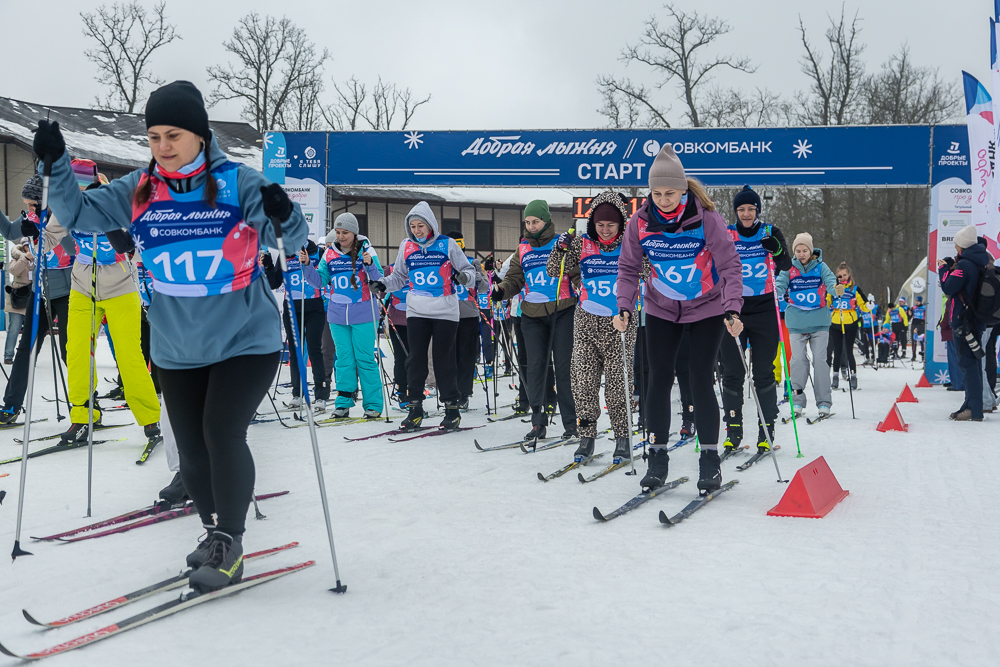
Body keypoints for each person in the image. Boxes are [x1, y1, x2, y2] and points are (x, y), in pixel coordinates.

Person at [36, 80, 309, 592]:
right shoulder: (139, 189)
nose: (163, 146)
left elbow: (290, 240)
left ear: (201, 135)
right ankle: (212, 532)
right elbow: (76, 216)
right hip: (175, 344)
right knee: (190, 445)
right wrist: (56, 167)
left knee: (221, 432)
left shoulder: (238, 183)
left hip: (244, 340)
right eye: (154, 136)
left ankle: (230, 540)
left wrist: (283, 211)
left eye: (174, 135)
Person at [614, 144, 744, 493]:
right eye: (656, 193)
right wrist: (624, 305)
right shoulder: (640, 222)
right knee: (658, 377)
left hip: (706, 306)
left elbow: (730, 264)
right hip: (661, 306)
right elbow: (627, 268)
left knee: (700, 377)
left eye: (670, 192)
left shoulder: (706, 217)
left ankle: (710, 461)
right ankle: (656, 460)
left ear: (683, 190)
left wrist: (733, 307)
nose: (663, 199)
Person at [58, 161, 161, 446]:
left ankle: (150, 417)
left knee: (129, 356)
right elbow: (55, 236)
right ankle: (83, 417)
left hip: (119, 288)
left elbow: (128, 246)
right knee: (77, 352)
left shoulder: (116, 206)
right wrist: (37, 227)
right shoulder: (67, 207)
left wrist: (109, 222)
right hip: (82, 286)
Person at [548, 190, 638, 464]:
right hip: (586, 320)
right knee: (583, 382)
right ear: (592, 225)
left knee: (617, 385)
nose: (606, 230)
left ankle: (623, 438)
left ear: (621, 224)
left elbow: (649, 270)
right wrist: (560, 248)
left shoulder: (631, 245)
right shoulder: (582, 244)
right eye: (600, 225)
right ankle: (587, 437)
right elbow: (555, 270)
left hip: (620, 322)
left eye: (611, 225)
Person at [372, 202, 475, 432]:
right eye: (413, 226)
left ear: (431, 225)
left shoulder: (447, 244)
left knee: (443, 360)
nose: (417, 230)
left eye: (421, 226)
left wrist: (463, 278)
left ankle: (451, 409)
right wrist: (382, 284)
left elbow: (468, 270)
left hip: (445, 311)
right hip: (417, 310)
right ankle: (415, 408)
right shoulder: (406, 246)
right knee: (415, 360)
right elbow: (398, 277)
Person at [494, 200, 578, 441]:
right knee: (536, 368)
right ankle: (537, 422)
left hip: (562, 312)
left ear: (546, 221)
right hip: (531, 315)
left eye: (535, 221)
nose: (531, 226)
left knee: (563, 368)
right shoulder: (522, 249)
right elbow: (514, 279)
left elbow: (577, 272)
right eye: (527, 222)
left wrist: (583, 286)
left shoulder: (561, 243)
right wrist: (501, 290)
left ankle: (571, 424)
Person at [719, 185, 792, 458]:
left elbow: (785, 264)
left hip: (764, 309)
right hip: (733, 309)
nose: (747, 214)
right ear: (736, 211)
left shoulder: (770, 231)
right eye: (742, 209)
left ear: (758, 210)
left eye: (751, 209)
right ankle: (733, 431)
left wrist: (776, 250)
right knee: (733, 373)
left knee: (763, 374)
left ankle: (766, 431)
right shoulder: (727, 233)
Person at [0, 176, 76, 424]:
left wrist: (44, 229)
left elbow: (74, 247)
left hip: (68, 292)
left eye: (34, 205)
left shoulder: (65, 214)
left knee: (69, 351)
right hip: (41, 290)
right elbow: (9, 231)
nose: (30, 211)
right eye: (27, 205)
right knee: (25, 351)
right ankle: (11, 405)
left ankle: (87, 402)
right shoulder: (30, 218)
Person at [304, 213, 384, 418]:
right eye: (338, 232)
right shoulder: (329, 254)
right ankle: (343, 402)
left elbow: (379, 281)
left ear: (354, 233)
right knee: (344, 359)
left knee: (364, 359)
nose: (341, 236)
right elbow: (319, 282)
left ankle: (373, 404)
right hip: (337, 314)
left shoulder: (366, 250)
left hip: (364, 313)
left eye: (345, 233)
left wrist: (370, 265)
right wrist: (306, 266)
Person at [774, 233, 838, 418]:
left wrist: (836, 290)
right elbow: (780, 283)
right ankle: (797, 402)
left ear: (811, 251)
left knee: (820, 360)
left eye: (805, 250)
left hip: (819, 322)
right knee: (798, 361)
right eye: (798, 250)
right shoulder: (789, 267)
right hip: (796, 322)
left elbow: (831, 283)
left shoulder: (820, 267)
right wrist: (776, 290)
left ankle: (824, 403)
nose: (801, 254)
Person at [264, 238, 331, 413]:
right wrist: (269, 265)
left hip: (314, 306)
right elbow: (275, 283)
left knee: (315, 350)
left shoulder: (317, 252)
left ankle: (321, 395)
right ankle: (297, 393)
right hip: (292, 308)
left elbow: (326, 277)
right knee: (295, 351)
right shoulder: (284, 255)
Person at [938, 226, 989, 421]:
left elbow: (949, 286)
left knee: (968, 365)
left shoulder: (966, 265)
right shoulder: (977, 260)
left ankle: (974, 409)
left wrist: (943, 269)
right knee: (973, 364)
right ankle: (970, 404)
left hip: (964, 322)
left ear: (961, 246)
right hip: (974, 320)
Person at [446, 230, 490, 410]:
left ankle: (464, 393)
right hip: (446, 314)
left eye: (459, 244)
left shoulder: (472, 262)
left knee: (466, 356)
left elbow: (485, 287)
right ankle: (451, 392)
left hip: (468, 315)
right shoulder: (444, 262)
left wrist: (477, 275)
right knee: (448, 356)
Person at [828, 262, 870, 391]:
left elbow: (864, 304)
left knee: (849, 351)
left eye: (844, 275)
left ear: (849, 275)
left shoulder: (855, 289)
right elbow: (826, 301)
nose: (842, 278)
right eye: (839, 276)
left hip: (850, 323)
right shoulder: (833, 288)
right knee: (837, 351)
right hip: (835, 323)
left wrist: (870, 306)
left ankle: (853, 376)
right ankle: (835, 377)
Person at [4, 241, 32, 364]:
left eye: (30, 245)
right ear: (22, 246)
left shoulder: (38, 258)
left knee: (30, 330)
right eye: (26, 245)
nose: (28, 247)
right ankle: (8, 355)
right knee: (14, 328)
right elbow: (14, 271)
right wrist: (25, 258)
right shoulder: (17, 257)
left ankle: (26, 356)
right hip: (18, 297)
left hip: (32, 296)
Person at [909, 295, 926, 361]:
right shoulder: (913, 307)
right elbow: (910, 315)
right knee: (914, 340)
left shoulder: (924, 307)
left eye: (918, 301)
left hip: (921, 324)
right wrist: (909, 313)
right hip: (914, 324)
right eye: (916, 301)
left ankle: (923, 355)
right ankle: (913, 355)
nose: (917, 302)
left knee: (922, 340)